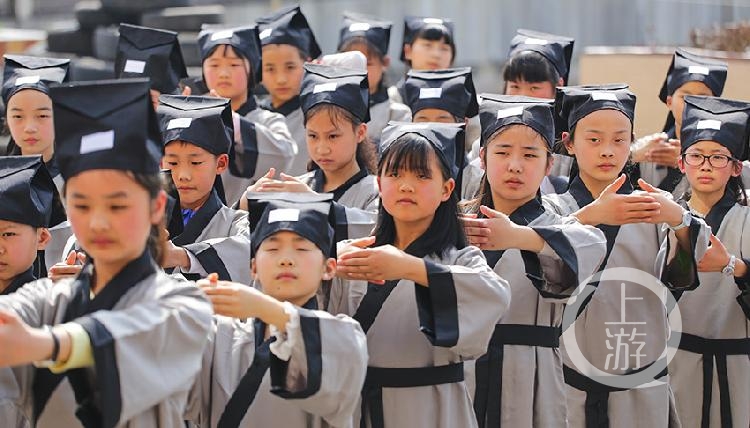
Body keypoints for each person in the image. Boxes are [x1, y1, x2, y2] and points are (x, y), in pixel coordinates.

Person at [0, 78, 212, 427]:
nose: (98, 223)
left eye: (116, 205)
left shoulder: (185, 305)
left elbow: (129, 338)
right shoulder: (45, 302)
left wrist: (47, 344)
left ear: (157, 206)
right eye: (81, 205)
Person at [543, 84, 710, 428]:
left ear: (632, 142)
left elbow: (682, 271)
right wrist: (589, 217)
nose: (608, 150)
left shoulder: (654, 206)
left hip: (640, 384)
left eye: (620, 140)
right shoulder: (552, 209)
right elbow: (545, 272)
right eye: (594, 139)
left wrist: (678, 220)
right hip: (567, 386)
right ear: (569, 143)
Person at [329, 121, 511, 427]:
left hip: (433, 409)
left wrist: (409, 268)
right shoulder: (353, 253)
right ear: (379, 183)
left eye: (422, 175)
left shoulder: (461, 258)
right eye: (395, 174)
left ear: (447, 189)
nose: (406, 186)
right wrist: (327, 265)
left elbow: (494, 294)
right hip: (357, 407)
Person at [461, 94, 606, 427]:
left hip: (533, 374)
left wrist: (518, 237)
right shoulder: (459, 223)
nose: (515, 165)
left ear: (549, 164)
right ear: (482, 157)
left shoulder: (559, 222)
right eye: (502, 152)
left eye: (529, 154)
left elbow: (592, 245)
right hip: (464, 371)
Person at [185, 198, 367, 427]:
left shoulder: (345, 335)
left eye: (301, 248)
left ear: (329, 268)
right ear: (253, 267)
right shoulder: (221, 336)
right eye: (272, 248)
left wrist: (262, 307)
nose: (286, 260)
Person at [667, 95, 750, 427]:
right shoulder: (665, 218)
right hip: (677, 364)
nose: (705, 165)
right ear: (681, 162)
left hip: (740, 365)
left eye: (717, 157)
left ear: (735, 167)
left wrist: (734, 265)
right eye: (697, 155)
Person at [245, 63, 378, 236]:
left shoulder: (375, 191)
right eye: (313, 136)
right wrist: (246, 202)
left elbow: (373, 230)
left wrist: (314, 203)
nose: (322, 149)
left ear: (360, 133)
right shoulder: (297, 186)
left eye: (333, 136)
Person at [197, 25, 297, 205]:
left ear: (251, 70)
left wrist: (229, 119)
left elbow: (284, 156)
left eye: (234, 64)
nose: (224, 73)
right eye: (214, 64)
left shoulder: (269, 120)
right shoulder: (191, 116)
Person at [157, 95, 251, 283]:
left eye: (196, 162)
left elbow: (251, 250)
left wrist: (181, 256)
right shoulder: (140, 218)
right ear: (160, 162)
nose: (183, 174)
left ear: (221, 163)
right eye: (173, 162)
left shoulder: (236, 222)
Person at [631, 48, 728, 199]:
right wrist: (632, 157)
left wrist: (691, 161)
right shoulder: (649, 148)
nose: (693, 104)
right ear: (669, 101)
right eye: (685, 96)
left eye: (703, 97)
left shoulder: (730, 152)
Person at [257, 4, 322, 176]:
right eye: (270, 69)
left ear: (307, 63)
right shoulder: (254, 116)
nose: (281, 79)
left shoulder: (319, 112)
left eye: (290, 67)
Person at [401, 66, 481, 199]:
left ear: (463, 124)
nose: (432, 128)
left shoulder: (475, 179)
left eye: (442, 120)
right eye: (422, 120)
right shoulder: (400, 171)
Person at [337, 12, 411, 146]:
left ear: (385, 63)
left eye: (368, 63)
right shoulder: (328, 108)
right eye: (351, 62)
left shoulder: (397, 113)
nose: (359, 70)